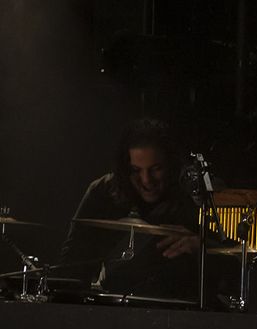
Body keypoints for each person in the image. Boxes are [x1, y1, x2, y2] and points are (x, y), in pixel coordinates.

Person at [57, 117, 202, 300]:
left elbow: (233, 261)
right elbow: (71, 264)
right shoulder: (103, 192)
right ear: (124, 169)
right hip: (107, 308)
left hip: (175, 311)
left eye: (156, 169)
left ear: (171, 165)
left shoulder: (189, 195)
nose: (147, 180)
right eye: (136, 170)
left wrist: (202, 248)